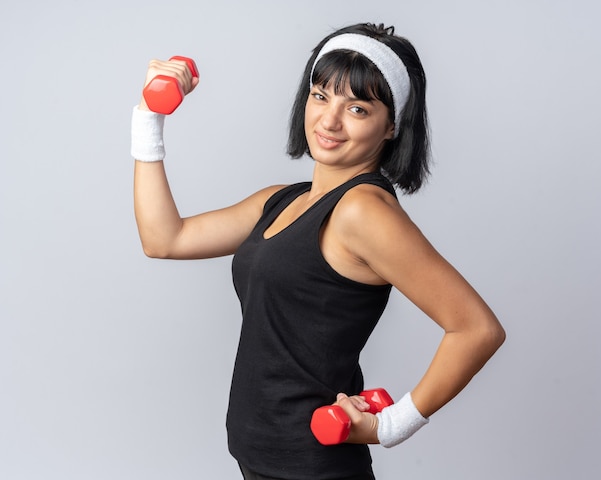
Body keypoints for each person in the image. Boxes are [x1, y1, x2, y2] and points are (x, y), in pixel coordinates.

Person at [131, 22, 505, 480]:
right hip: (261, 454)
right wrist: (149, 118)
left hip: (311, 466)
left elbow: (476, 329)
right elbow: (165, 239)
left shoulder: (363, 211)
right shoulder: (282, 200)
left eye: (358, 109)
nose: (330, 120)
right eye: (321, 96)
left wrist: (392, 425)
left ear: (391, 128)